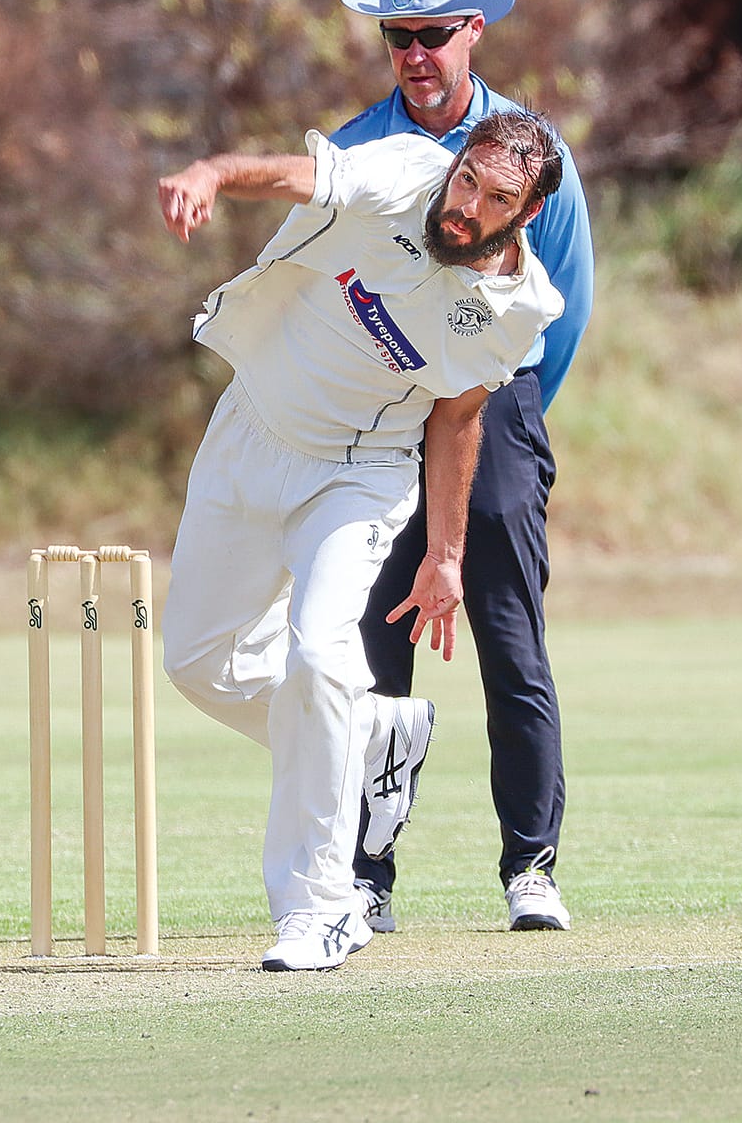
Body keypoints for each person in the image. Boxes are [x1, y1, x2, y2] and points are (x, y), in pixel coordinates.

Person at [156, 110, 564, 970]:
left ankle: (323, 908)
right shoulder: (403, 173)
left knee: (319, 658)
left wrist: (444, 555)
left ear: (525, 213)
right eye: (466, 181)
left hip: (360, 471)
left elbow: (458, 419)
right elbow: (292, 175)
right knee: (194, 661)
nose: (464, 207)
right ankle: (372, 735)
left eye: (494, 199)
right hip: (251, 429)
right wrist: (212, 174)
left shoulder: (520, 306)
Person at [333, 0, 594, 932]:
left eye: (430, 35)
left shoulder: (530, 152)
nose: (412, 54)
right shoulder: (358, 148)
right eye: (396, 37)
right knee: (372, 652)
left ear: (469, 35)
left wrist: (502, 408)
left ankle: (529, 867)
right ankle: (365, 875)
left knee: (509, 645)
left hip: (499, 406)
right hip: (385, 416)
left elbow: (561, 303)